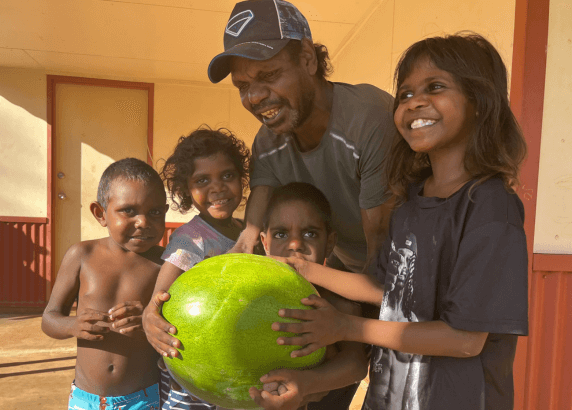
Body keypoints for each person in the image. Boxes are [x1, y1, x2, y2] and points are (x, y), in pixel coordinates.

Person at [269, 33, 529, 410]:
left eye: (435, 87)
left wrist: (347, 328)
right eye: (404, 94)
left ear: (479, 102)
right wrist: (300, 268)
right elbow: (387, 290)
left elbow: (465, 340)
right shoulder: (408, 203)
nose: (415, 102)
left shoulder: (490, 207)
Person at [207, 0, 396, 274]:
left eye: (269, 74)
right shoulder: (268, 143)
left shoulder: (368, 121)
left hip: (406, 279)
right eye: (243, 86)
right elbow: (248, 241)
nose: (255, 96)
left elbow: (381, 260)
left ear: (307, 58)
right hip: (347, 271)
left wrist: (346, 313)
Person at [41, 157, 168, 410]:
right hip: (85, 399)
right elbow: (49, 318)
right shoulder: (82, 255)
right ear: (101, 214)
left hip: (144, 398)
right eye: (128, 210)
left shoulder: (166, 264)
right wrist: (72, 325)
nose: (143, 222)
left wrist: (147, 321)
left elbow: (178, 325)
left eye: (154, 212)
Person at [140, 127, 251, 410]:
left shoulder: (247, 233)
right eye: (202, 180)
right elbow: (160, 295)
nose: (217, 187)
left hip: (228, 364)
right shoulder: (192, 238)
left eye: (227, 175)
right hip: (192, 376)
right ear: (186, 191)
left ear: (242, 179)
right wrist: (150, 316)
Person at [249, 182, 369, 410]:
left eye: (310, 233)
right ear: (265, 243)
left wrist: (308, 383)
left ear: (330, 243)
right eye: (281, 234)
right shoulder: (249, 296)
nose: (295, 244)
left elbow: (356, 364)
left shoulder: (338, 303)